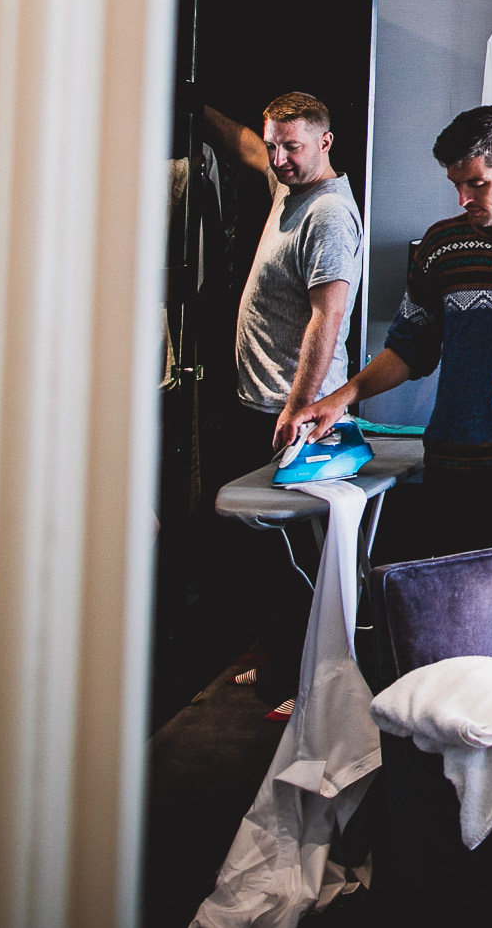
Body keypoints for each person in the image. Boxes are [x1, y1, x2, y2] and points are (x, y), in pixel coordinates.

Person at [287, 105, 492, 557]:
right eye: (456, 185)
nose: (463, 198)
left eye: (477, 183)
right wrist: (336, 400)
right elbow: (409, 348)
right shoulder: (441, 245)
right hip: (454, 457)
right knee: (446, 604)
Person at [199, 90, 366, 699]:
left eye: (291, 147)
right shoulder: (288, 187)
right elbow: (246, 145)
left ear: (325, 143)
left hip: (291, 414)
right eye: (274, 146)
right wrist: (200, 103)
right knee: (262, 551)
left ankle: (307, 683)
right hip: (260, 403)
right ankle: (279, 661)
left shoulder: (326, 213)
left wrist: (298, 406)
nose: (278, 158)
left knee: (291, 553)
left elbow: (330, 315)